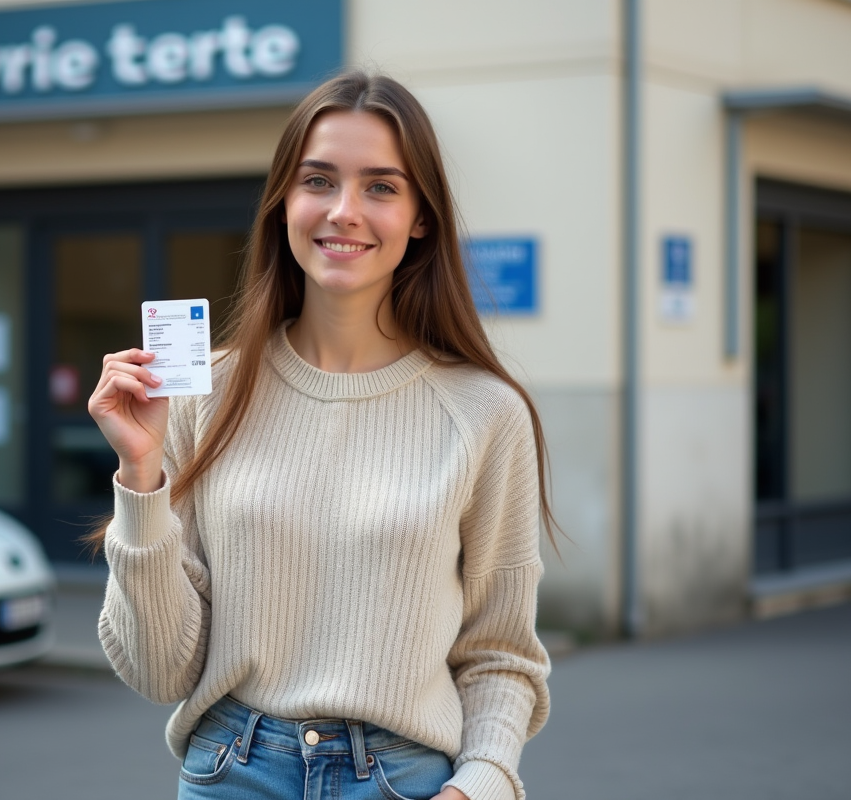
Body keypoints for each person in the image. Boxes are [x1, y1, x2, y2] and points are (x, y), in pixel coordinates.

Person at [88, 71, 555, 800]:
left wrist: (481, 786)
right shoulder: (201, 395)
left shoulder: (485, 412)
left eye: (381, 186)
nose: (344, 211)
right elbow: (158, 672)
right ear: (283, 203)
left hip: (406, 781)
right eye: (318, 180)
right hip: (229, 771)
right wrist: (141, 474)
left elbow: (500, 655)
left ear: (421, 217)